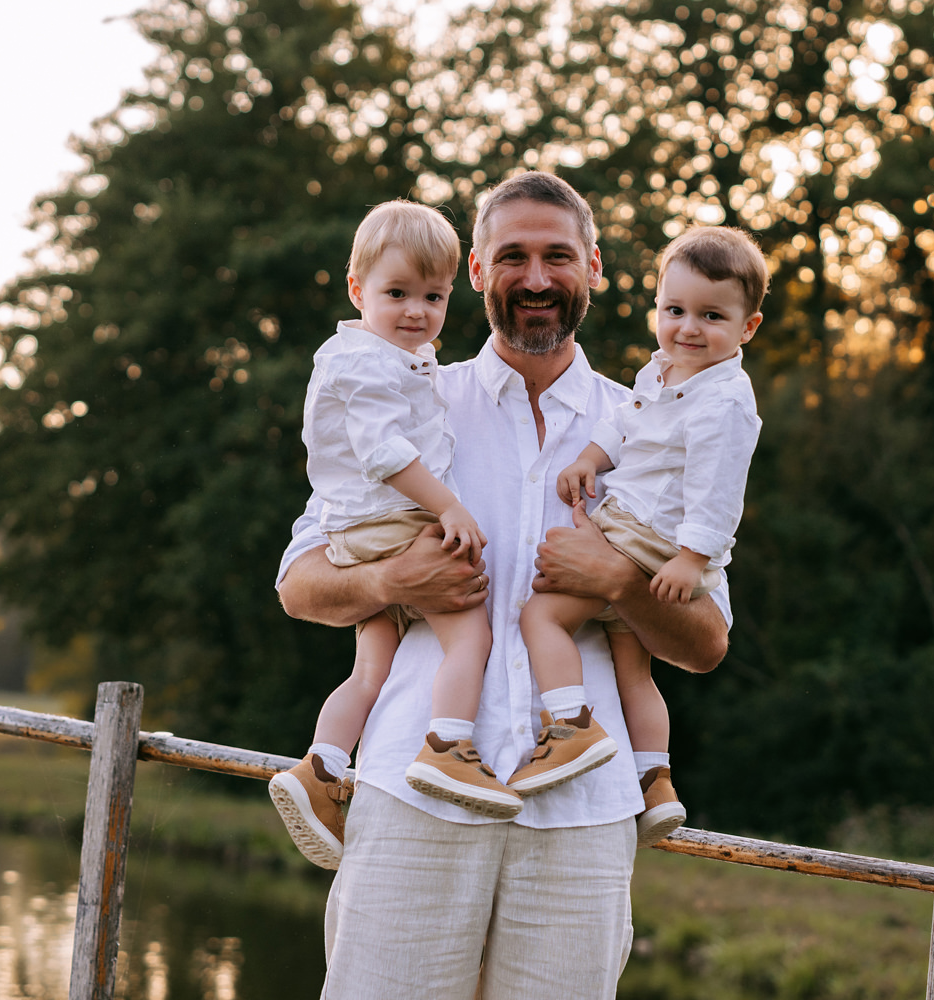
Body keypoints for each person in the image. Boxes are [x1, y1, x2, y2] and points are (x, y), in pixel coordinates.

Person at [276, 171, 730, 999]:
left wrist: (620, 585)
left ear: (593, 267)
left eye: (558, 256)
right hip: (412, 795)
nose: (536, 278)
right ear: (478, 273)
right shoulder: (408, 401)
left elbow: (706, 643)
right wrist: (390, 575)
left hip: (583, 818)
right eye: (512, 257)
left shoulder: (656, 423)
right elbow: (300, 583)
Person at [267, 200, 518, 874]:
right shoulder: (371, 364)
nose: (417, 312)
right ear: (357, 290)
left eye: (433, 297)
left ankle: (321, 766)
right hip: (389, 523)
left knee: (371, 668)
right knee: (470, 633)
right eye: (397, 294)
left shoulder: (390, 358)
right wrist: (451, 508)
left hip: (357, 530)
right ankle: (449, 747)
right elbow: (384, 453)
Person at [512, 226, 765, 850]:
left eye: (712, 316)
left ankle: (569, 728)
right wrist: (591, 460)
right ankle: (654, 781)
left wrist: (691, 558)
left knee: (541, 615)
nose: (688, 328)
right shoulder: (661, 374)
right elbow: (622, 424)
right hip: (641, 527)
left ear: (748, 328)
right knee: (633, 666)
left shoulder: (725, 401)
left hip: (647, 536)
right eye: (674, 310)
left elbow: (718, 489)